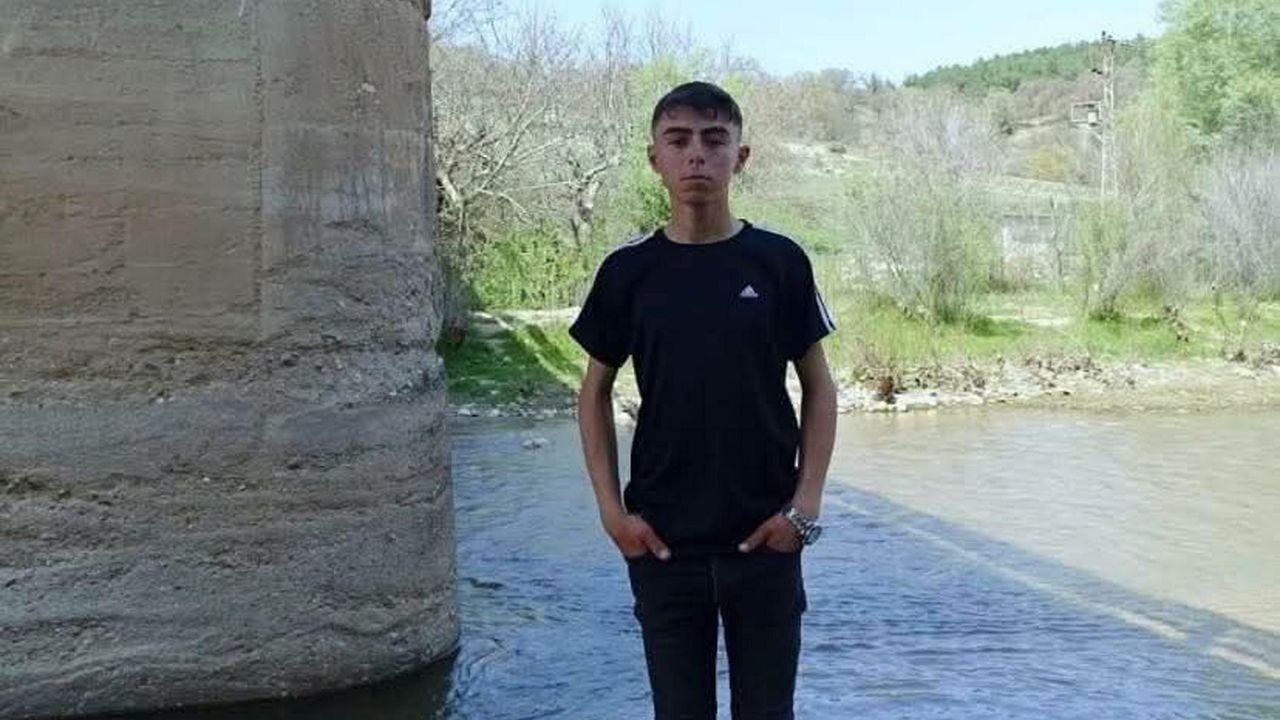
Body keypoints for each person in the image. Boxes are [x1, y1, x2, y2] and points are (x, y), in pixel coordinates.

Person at [570, 81, 839, 720]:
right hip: (663, 543)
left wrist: (803, 508)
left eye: (715, 140)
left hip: (765, 538)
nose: (697, 154)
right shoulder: (628, 273)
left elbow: (820, 387)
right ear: (655, 158)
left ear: (739, 158)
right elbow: (593, 393)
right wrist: (612, 514)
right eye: (679, 139)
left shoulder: (779, 262)